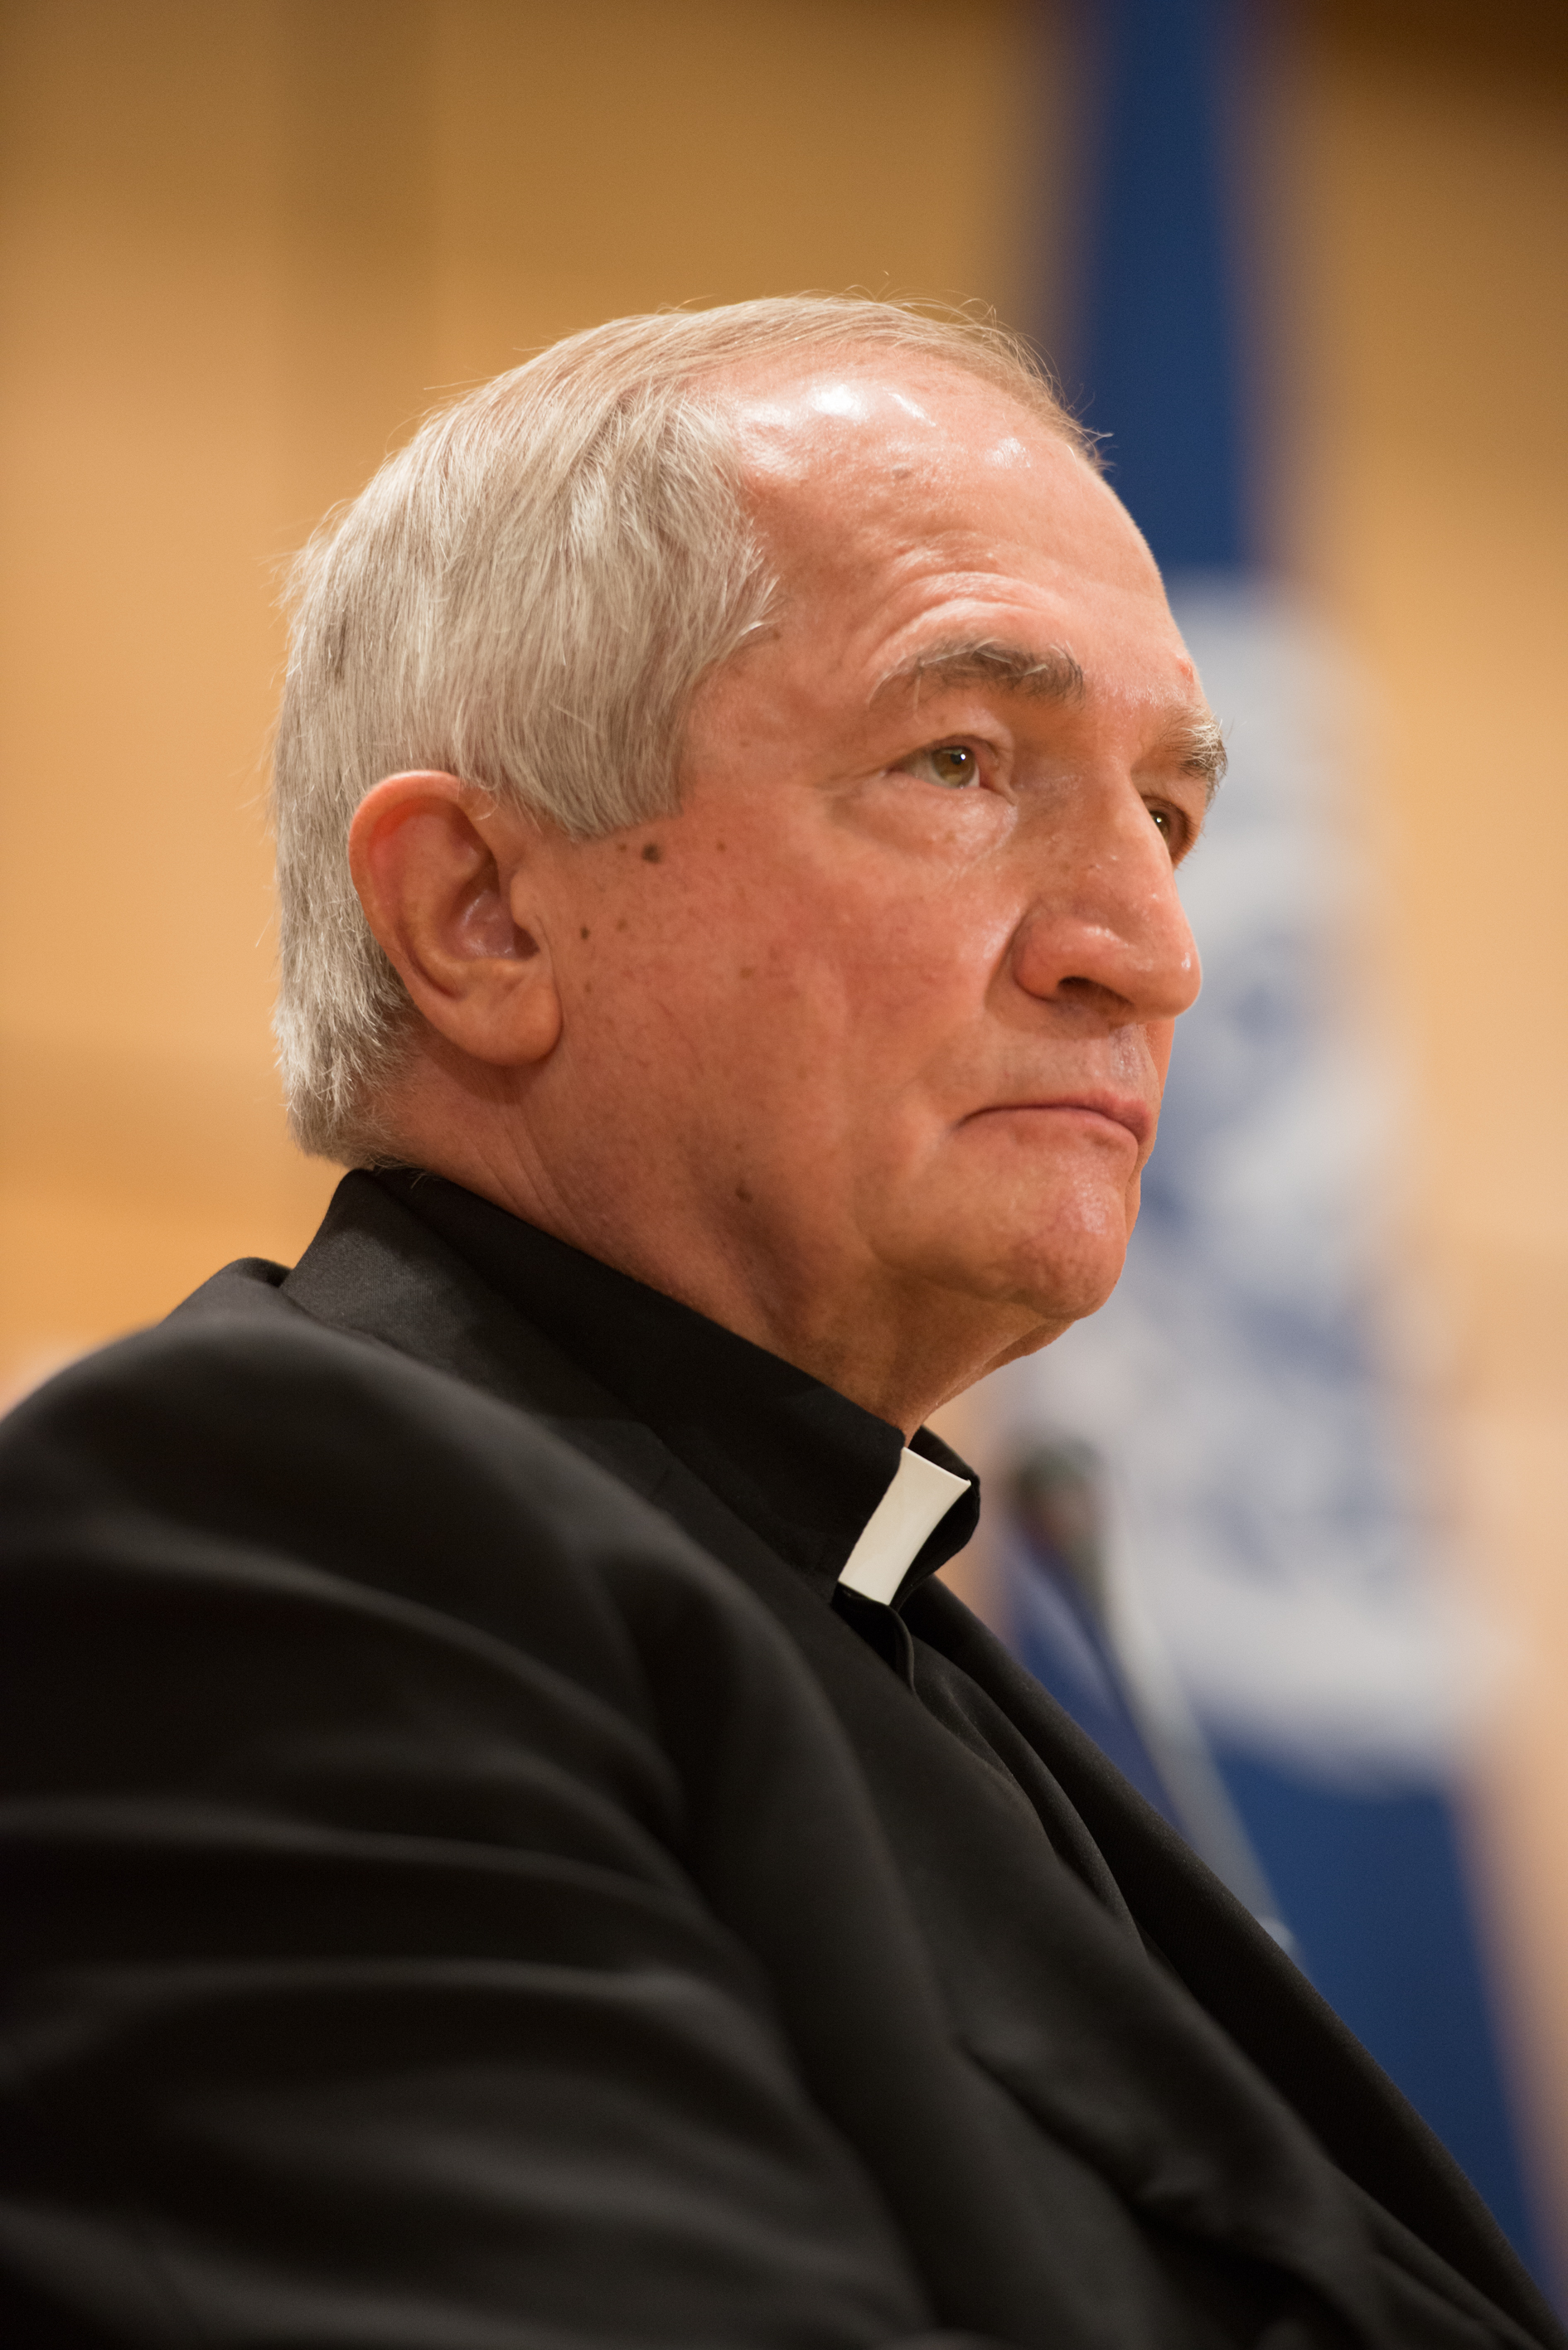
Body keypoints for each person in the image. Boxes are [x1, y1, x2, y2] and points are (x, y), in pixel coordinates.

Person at [1, 296, 1557, 2350]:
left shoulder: (862, 1611)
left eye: (1171, 814)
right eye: (961, 759)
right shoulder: (261, 1538)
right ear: (480, 911)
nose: (1151, 949)